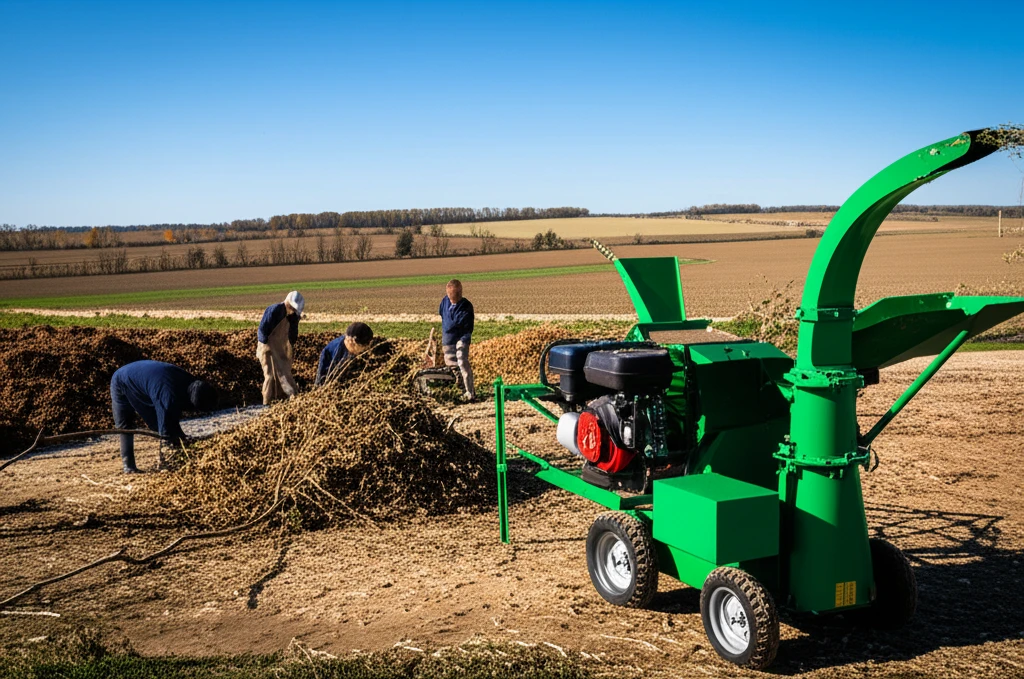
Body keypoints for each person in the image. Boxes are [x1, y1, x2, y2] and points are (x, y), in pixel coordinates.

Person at [110, 360, 218, 474]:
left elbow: (173, 415)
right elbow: (164, 431)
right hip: (121, 380)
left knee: (169, 420)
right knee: (126, 425)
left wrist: (181, 437)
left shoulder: (193, 383)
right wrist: (168, 457)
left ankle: (178, 447)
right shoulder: (168, 397)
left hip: (147, 377)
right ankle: (129, 467)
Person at [257, 291, 304, 405]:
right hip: (267, 347)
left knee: (285, 373)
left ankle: (290, 399)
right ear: (287, 303)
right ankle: (267, 402)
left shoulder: (292, 317)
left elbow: (292, 338)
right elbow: (262, 330)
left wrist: (295, 323)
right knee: (270, 375)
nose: (293, 310)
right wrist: (269, 346)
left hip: (281, 347)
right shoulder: (274, 310)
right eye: (292, 307)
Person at [439, 278, 475, 401]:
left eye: (456, 294)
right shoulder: (444, 302)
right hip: (448, 340)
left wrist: (449, 327)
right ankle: (459, 389)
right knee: (452, 365)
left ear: (460, 292)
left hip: (461, 338)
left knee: (462, 362)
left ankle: (470, 392)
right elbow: (443, 316)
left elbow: (454, 324)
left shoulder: (466, 306)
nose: (453, 297)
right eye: (451, 295)